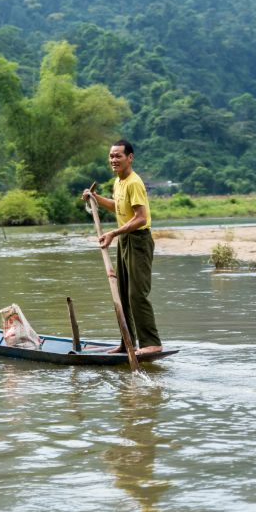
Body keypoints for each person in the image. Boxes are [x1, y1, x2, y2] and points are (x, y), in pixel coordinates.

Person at [82, 139, 162, 356]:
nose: (113, 160)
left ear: (130, 157)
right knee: (123, 294)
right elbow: (117, 206)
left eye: (118, 156)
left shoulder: (134, 182)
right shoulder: (119, 182)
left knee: (137, 294)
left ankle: (152, 343)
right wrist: (95, 197)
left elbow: (140, 218)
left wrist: (113, 233)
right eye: (111, 156)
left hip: (138, 240)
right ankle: (127, 342)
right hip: (125, 240)